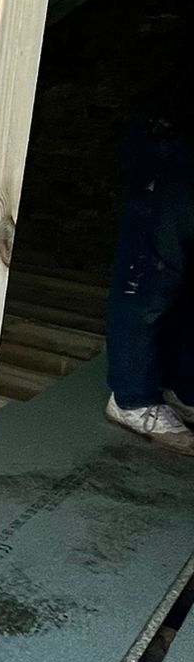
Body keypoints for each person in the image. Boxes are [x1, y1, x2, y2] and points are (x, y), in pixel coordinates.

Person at [105, 109, 194, 452]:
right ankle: (132, 399)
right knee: (150, 274)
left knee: (184, 281)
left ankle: (177, 387)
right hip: (172, 142)